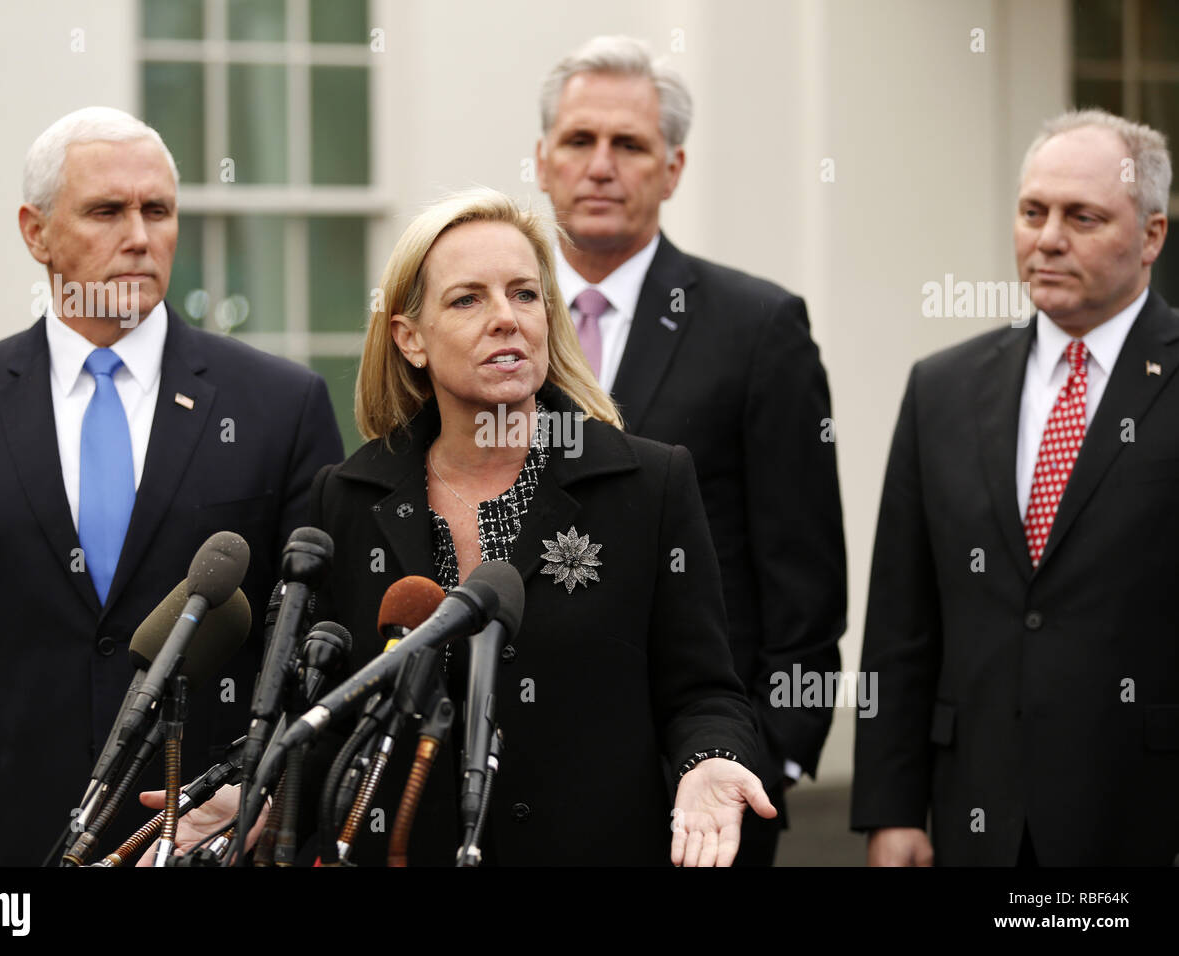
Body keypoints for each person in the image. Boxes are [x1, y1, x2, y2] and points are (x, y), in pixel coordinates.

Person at [0, 107, 343, 865]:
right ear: (36, 232)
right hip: (0, 847)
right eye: (106, 211)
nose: (139, 235)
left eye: (157, 210)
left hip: (200, 838)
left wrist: (261, 797)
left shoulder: (278, 406)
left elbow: (318, 651)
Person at [259, 186, 772, 866]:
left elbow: (703, 691)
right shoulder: (348, 498)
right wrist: (261, 790)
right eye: (468, 299)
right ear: (410, 338)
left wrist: (710, 759)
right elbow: (322, 711)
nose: (506, 318)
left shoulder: (648, 485)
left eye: (525, 294)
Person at [534, 36, 846, 863]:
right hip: (523, 773)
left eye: (629, 145)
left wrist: (771, 757)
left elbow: (804, 578)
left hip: (702, 780)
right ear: (541, 160)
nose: (601, 166)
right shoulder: (496, 322)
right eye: (579, 141)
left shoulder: (759, 329)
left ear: (672, 169)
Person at [851, 109, 1179, 866]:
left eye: (1083, 216)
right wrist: (891, 810)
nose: (1048, 238)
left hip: (1144, 819)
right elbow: (902, 620)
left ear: (1152, 235)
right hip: (977, 814)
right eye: (1033, 212)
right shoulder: (942, 388)